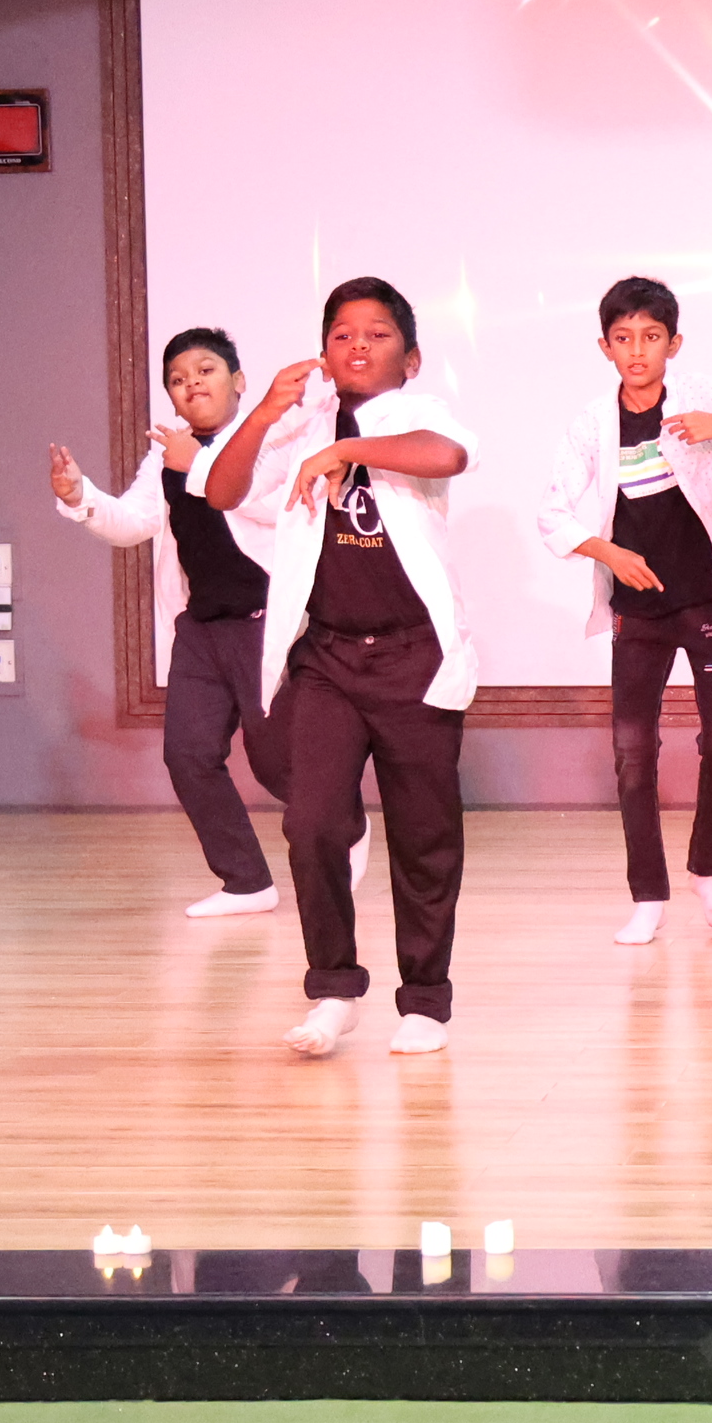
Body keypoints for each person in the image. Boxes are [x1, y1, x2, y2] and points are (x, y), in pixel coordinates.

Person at [205, 278, 478, 1058]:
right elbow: (221, 490)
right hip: (327, 657)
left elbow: (449, 455)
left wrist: (345, 451)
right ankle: (333, 989)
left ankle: (424, 1001)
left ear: (410, 358)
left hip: (415, 657)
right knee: (312, 823)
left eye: (378, 334)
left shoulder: (419, 417)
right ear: (324, 352)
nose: (358, 345)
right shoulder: (299, 426)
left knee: (424, 835)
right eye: (342, 335)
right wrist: (265, 413)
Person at [530, 275, 712, 946]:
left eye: (650, 337)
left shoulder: (698, 396)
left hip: (709, 601)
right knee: (632, 751)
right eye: (623, 338)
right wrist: (608, 553)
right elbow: (551, 511)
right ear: (605, 347)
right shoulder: (592, 424)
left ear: (674, 343)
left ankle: (707, 872)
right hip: (637, 612)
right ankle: (647, 896)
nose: (637, 351)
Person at [48, 326, 320, 917]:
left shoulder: (278, 438)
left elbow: (282, 509)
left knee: (274, 761)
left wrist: (201, 464)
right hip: (199, 627)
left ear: (238, 381)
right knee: (188, 754)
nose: (191, 383)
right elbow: (134, 522)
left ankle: (341, 826)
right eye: (177, 379)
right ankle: (246, 882)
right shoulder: (166, 452)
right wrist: (78, 496)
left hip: (263, 619)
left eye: (205, 370)